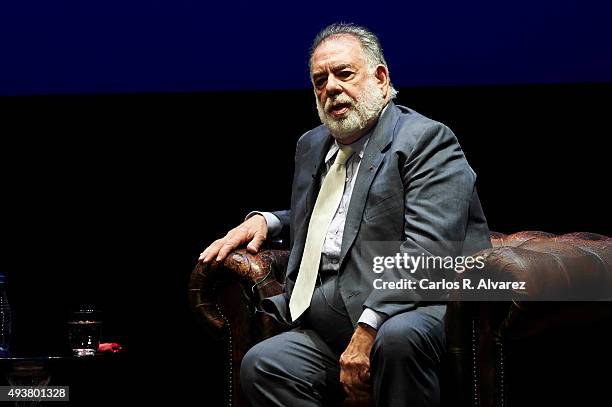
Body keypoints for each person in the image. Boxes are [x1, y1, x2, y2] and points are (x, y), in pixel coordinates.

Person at [200, 23, 490, 407]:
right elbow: (336, 211)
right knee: (265, 364)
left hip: (412, 306)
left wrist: (368, 327)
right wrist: (267, 221)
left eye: (344, 73)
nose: (331, 88)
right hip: (331, 314)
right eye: (320, 80)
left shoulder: (425, 140)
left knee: (397, 340)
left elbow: (428, 248)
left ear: (381, 79)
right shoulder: (313, 144)